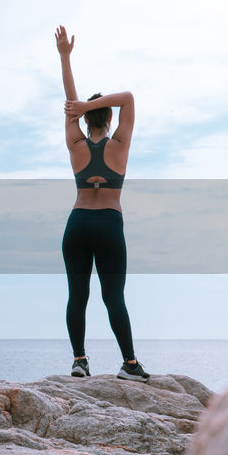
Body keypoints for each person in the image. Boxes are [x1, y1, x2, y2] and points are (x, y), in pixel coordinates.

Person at [54, 25, 150, 382]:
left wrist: (65, 58)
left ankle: (79, 360)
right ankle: (129, 365)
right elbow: (128, 97)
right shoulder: (119, 146)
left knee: (77, 296)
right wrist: (90, 104)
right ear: (108, 118)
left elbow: (70, 106)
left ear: (85, 119)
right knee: (114, 297)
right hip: (109, 224)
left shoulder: (76, 145)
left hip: (77, 223)